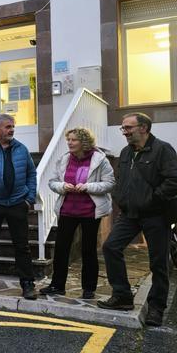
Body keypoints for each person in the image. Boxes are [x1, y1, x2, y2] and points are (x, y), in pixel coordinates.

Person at [98, 113, 177, 326]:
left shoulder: (163, 149)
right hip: (129, 214)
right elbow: (122, 180)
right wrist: (121, 198)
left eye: (128, 128)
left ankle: (156, 308)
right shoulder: (126, 152)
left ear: (144, 128)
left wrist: (153, 199)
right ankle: (123, 296)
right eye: (123, 128)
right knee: (110, 247)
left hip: (156, 214)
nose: (125, 132)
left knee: (158, 263)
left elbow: (175, 180)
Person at [42, 127, 114, 299]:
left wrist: (88, 187)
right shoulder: (64, 159)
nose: (70, 143)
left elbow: (109, 183)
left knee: (88, 250)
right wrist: (62, 186)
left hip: (90, 211)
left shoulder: (100, 160)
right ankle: (57, 285)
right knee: (61, 249)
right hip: (67, 210)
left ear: (84, 142)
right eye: (69, 140)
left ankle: (89, 288)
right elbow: (53, 182)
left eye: (74, 140)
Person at [0, 114, 38, 299]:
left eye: (13, 126)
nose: (12, 129)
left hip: (18, 202)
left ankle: (27, 284)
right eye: (8, 126)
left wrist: (29, 199)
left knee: (22, 246)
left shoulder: (21, 148)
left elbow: (31, 174)